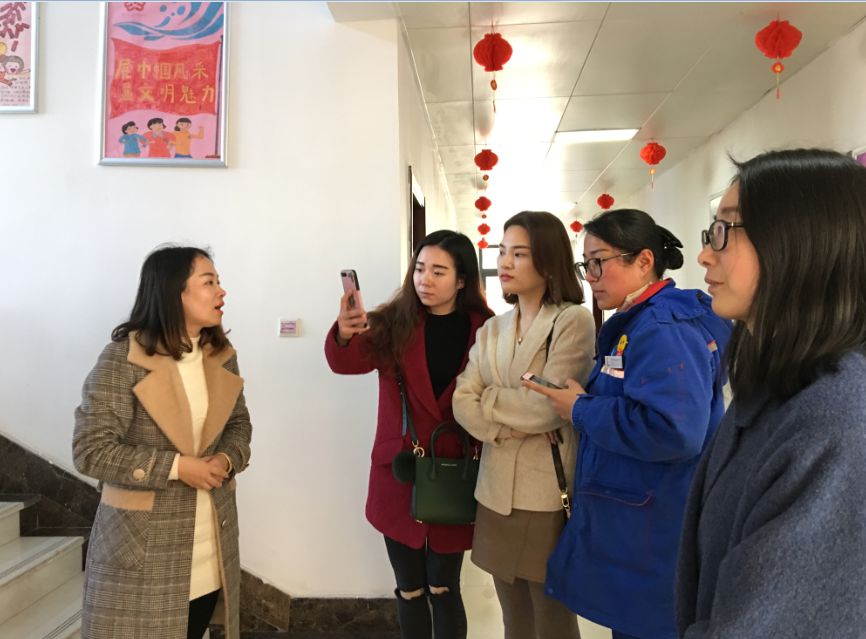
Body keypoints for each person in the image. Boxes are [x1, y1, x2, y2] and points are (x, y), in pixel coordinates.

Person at [676, 148, 866, 638]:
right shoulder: (774, 382)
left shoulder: (836, 420)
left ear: (800, 242)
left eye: (725, 231)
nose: (704, 255)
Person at [523, 208, 732, 639]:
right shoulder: (642, 321)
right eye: (586, 265)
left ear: (644, 261)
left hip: (656, 526)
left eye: (599, 262)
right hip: (647, 521)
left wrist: (580, 410)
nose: (591, 277)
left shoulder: (661, 328)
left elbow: (673, 429)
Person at [73, 246, 252, 639]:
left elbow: (239, 425)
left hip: (210, 549)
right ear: (175, 292)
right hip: (142, 553)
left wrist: (226, 458)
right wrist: (177, 467)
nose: (221, 291)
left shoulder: (220, 356)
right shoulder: (122, 358)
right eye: (209, 282)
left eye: (218, 282)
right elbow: (91, 450)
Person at [324, 230, 493, 639]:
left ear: (462, 280)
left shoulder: (486, 330)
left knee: (444, 585)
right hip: (399, 472)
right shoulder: (393, 321)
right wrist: (345, 333)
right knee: (410, 587)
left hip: (455, 474)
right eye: (419, 269)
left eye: (438, 271)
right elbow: (346, 363)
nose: (425, 279)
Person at [453, 210, 595, 639]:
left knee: (551, 616)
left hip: (544, 490)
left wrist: (489, 400)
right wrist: (508, 423)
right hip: (495, 489)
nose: (505, 262)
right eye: (502, 251)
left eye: (519, 253)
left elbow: (547, 409)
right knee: (512, 614)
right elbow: (461, 400)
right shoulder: (491, 329)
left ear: (548, 261)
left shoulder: (571, 320)